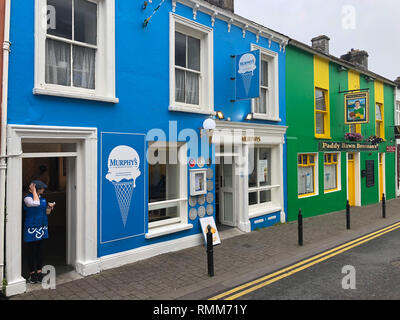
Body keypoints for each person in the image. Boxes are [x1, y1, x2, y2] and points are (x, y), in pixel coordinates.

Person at [23, 180, 55, 284]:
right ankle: (33, 275)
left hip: (42, 228)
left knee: (40, 251)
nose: (44, 189)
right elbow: (35, 203)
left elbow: (45, 212)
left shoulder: (43, 199)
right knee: (31, 252)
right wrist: (33, 192)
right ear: (36, 189)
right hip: (31, 229)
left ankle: (40, 273)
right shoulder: (27, 198)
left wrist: (49, 208)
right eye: (42, 188)